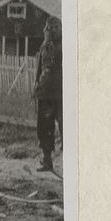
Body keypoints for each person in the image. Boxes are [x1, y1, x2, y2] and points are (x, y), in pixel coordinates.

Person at [35, 16, 63, 174]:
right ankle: (47, 160)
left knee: (65, 127)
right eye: (47, 27)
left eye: (49, 28)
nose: (45, 30)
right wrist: (36, 85)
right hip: (45, 93)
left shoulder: (62, 47)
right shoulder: (44, 46)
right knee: (44, 127)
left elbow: (48, 70)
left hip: (59, 93)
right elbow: (40, 68)